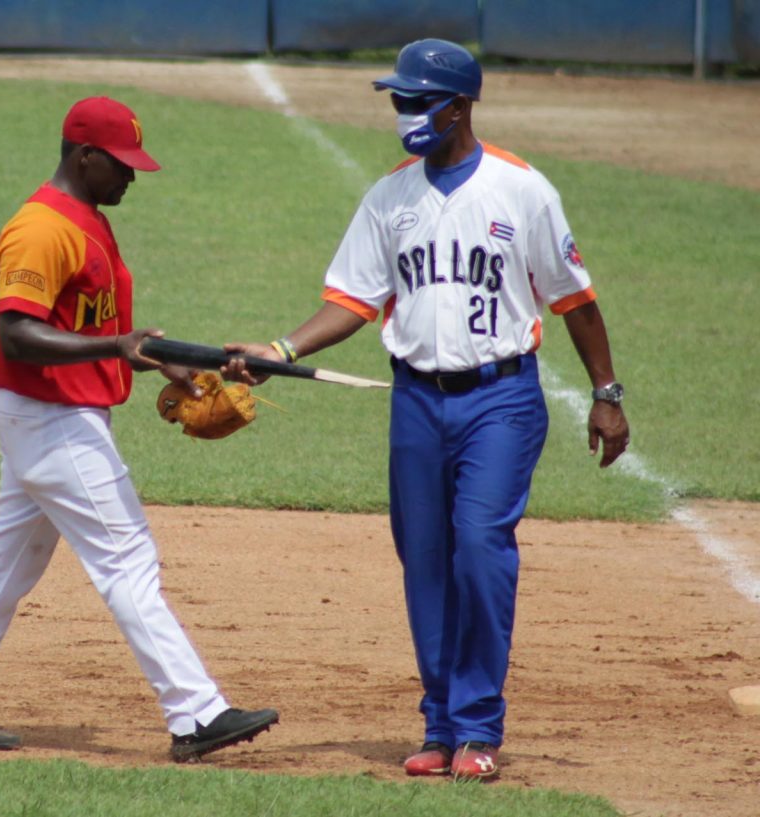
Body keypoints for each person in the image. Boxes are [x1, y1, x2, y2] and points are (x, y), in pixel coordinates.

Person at [224, 40, 629, 781]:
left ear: (459, 106)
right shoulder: (389, 197)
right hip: (415, 400)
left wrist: (606, 393)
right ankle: (441, 724)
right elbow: (350, 300)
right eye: (397, 99)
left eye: (417, 99)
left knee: (479, 546)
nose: (404, 111)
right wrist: (281, 347)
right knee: (425, 564)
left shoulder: (521, 189)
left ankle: (479, 727)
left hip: (502, 399)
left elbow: (575, 297)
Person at [0, 96, 278, 761]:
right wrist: (115, 346)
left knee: (8, 565)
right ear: (84, 157)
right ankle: (196, 712)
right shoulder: (41, 229)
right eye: (121, 165)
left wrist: (168, 363)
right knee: (127, 558)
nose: (131, 178)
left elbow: (87, 329)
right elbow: (17, 333)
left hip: (48, 417)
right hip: (52, 421)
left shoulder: (88, 218)